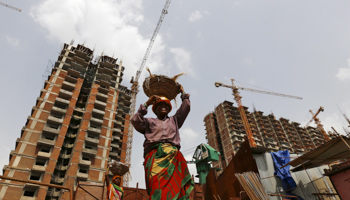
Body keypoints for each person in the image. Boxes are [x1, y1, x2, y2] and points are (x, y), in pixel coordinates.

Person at [131, 85, 194, 199]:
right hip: (155, 158)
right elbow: (135, 120)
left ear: (169, 109)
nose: (163, 106)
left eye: (166, 105)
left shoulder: (174, 120)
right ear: (155, 109)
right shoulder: (149, 121)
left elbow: (186, 106)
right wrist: (147, 103)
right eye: (160, 105)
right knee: (157, 188)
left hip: (173, 157)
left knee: (176, 188)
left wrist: (182, 92)